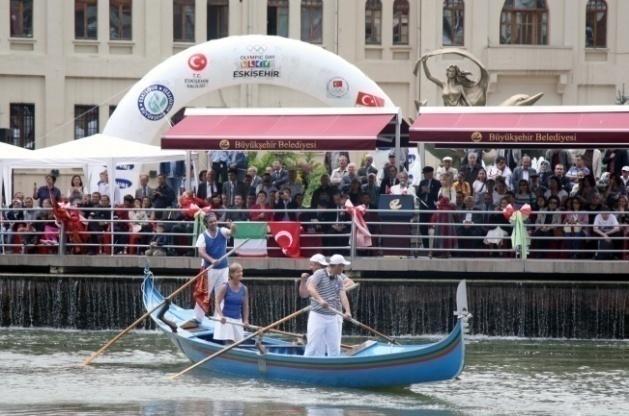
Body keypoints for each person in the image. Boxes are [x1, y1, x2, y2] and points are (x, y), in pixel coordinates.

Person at [304, 254, 352, 357]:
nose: (343, 268)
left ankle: (334, 368)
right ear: (337, 266)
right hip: (318, 315)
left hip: (332, 317)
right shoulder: (319, 274)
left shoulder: (338, 279)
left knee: (334, 347)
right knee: (313, 345)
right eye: (342, 266)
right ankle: (306, 365)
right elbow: (311, 288)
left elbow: (342, 295)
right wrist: (320, 300)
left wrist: (347, 311)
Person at [195, 213, 235, 319]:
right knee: (204, 294)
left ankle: (219, 318)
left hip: (223, 269)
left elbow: (232, 233)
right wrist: (211, 260)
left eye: (215, 221)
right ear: (206, 224)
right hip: (209, 270)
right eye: (211, 222)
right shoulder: (202, 236)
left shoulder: (222, 231)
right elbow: (201, 252)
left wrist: (233, 228)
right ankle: (198, 319)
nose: (213, 223)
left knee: (221, 295)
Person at [213, 262, 249, 343]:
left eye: (241, 271)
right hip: (226, 319)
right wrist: (221, 316)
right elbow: (217, 302)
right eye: (238, 272)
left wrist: (246, 320)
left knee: (238, 343)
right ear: (232, 274)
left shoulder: (244, 288)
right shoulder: (225, 286)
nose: (241, 274)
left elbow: (246, 306)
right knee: (229, 343)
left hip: (237, 319)